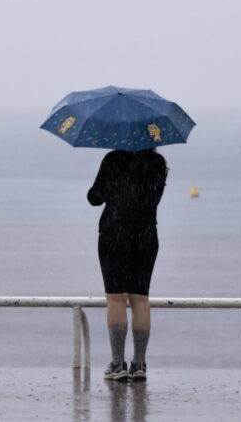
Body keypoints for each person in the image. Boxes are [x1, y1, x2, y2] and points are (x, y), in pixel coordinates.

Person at [88, 147, 167, 382]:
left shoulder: (114, 158)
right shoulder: (158, 162)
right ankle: (140, 364)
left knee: (116, 298)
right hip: (145, 236)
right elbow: (152, 198)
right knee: (140, 298)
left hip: (114, 234)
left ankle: (117, 364)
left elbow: (95, 197)